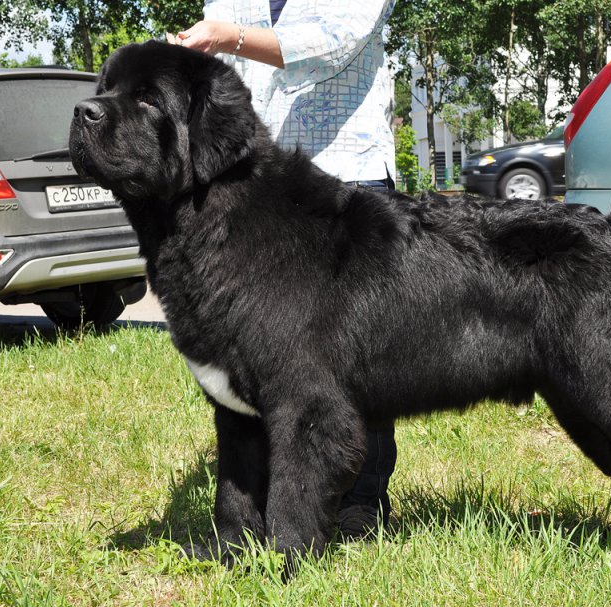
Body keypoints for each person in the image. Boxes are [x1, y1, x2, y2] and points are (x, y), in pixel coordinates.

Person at [167, 0, 398, 539]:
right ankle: (278, 498)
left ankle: (361, 499)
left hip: (347, 176)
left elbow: (335, 39)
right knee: (264, 351)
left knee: (357, 355)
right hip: (259, 185)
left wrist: (228, 37)